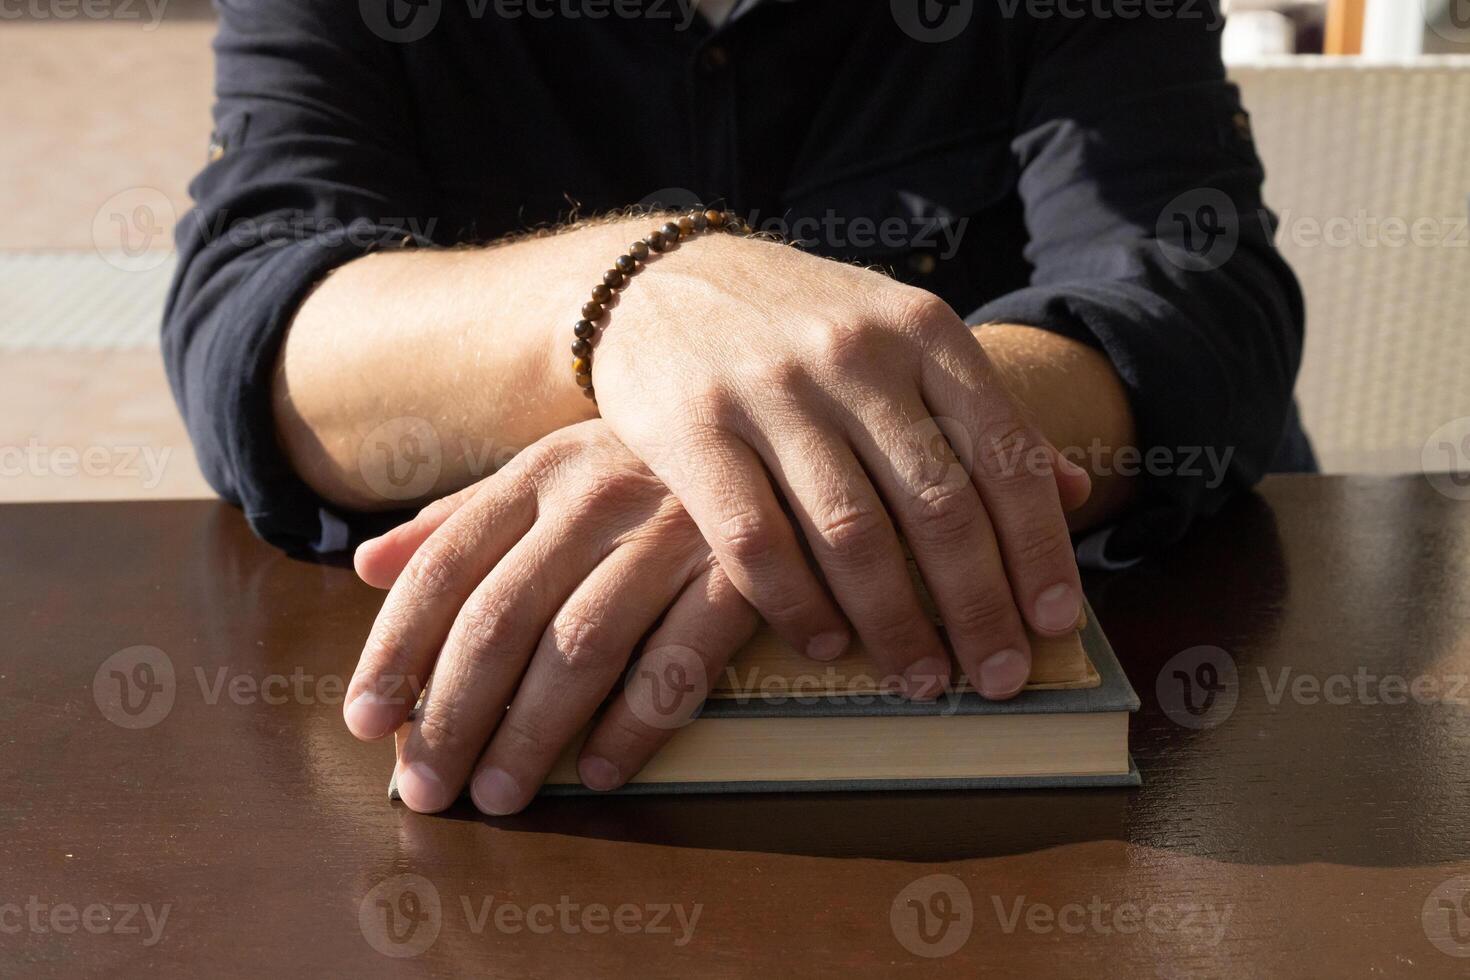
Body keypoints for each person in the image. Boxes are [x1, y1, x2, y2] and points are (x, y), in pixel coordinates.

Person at [163, 0, 1310, 814]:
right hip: (518, 794)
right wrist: (631, 300)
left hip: (1052, 783)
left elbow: (1200, 295)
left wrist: (772, 440)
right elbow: (261, 316)